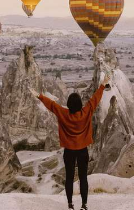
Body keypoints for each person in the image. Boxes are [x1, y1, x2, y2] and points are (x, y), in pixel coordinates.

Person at [29, 73, 110, 210]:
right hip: (83, 150)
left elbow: (52, 105)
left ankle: (70, 204)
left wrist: (39, 96)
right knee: (83, 178)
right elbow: (94, 100)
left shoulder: (63, 113)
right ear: (79, 104)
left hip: (69, 151)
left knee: (69, 178)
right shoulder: (86, 112)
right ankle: (84, 205)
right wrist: (102, 85)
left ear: (68, 105)